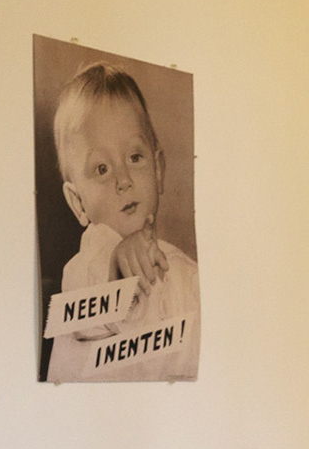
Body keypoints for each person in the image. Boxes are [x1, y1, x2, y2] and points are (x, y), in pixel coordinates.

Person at [44, 63, 200, 383]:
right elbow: (84, 309)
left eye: (134, 157)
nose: (124, 180)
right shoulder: (87, 266)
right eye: (102, 169)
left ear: (158, 169)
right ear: (78, 203)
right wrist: (114, 266)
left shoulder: (185, 273)